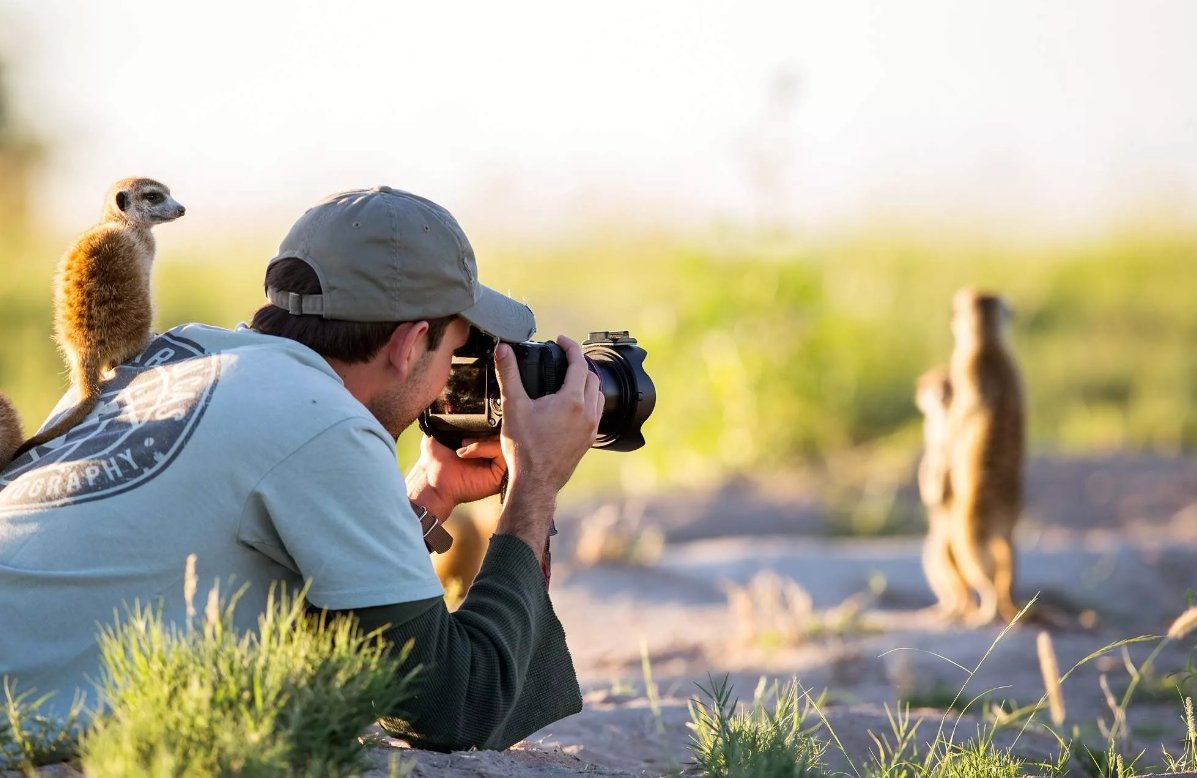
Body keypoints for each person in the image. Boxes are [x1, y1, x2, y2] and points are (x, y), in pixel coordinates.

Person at [0, 186, 602, 751]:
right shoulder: (325, 420)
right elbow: (456, 704)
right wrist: (535, 487)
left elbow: (323, 615)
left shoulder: (167, 357)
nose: (449, 379)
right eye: (453, 351)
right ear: (408, 342)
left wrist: (429, 494)